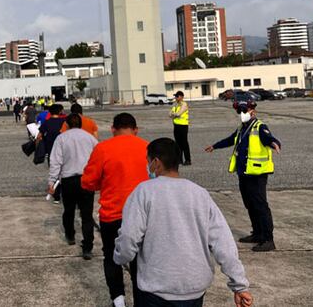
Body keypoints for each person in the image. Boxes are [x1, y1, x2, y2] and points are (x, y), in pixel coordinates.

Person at [115, 138, 253, 307]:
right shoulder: (200, 193)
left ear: (155, 162)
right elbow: (223, 242)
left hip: (156, 288)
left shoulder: (144, 192)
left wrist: (120, 257)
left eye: (148, 161)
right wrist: (239, 285)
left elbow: (129, 236)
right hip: (194, 288)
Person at [81, 112, 149, 307]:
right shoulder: (147, 147)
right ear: (136, 129)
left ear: (112, 129)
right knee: (141, 260)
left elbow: (88, 182)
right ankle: (141, 299)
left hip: (112, 214)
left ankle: (118, 300)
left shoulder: (102, 148)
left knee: (111, 256)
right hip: (143, 216)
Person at [205, 100, 281, 252]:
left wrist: (275, 144)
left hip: (257, 174)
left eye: (244, 111)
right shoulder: (242, 128)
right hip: (244, 172)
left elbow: (269, 139)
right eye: (239, 112)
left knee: (260, 205)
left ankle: (268, 239)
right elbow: (230, 139)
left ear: (253, 111)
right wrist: (215, 146)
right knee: (250, 204)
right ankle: (257, 233)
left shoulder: (260, 127)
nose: (242, 114)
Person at [48, 113, 98, 260]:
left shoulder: (62, 138)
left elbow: (55, 161)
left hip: (68, 180)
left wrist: (52, 182)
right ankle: (87, 247)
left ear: (67, 124)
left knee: (68, 210)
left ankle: (70, 235)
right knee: (86, 215)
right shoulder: (90, 138)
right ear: (81, 123)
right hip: (86, 180)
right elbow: (98, 156)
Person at [170, 91, 191, 165]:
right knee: (178, 143)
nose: (176, 98)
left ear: (182, 97)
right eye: (175, 96)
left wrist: (174, 114)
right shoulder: (175, 105)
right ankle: (180, 160)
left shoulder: (184, 104)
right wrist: (174, 114)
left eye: (177, 96)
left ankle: (188, 160)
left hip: (183, 126)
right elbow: (170, 114)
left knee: (184, 143)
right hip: (176, 125)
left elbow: (178, 114)